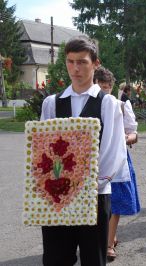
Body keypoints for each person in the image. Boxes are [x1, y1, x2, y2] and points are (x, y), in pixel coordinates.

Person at [40, 36, 127, 266]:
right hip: (57, 196)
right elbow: (42, 150)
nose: (75, 68)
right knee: (56, 258)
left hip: (94, 195)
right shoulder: (52, 103)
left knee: (93, 259)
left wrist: (87, 184)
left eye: (82, 62)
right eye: (70, 62)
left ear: (95, 63)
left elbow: (113, 150)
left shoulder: (108, 104)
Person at [94, 68, 141, 261]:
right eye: (101, 87)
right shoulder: (90, 105)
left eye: (108, 87)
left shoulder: (121, 105)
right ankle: (101, 238)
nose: (105, 91)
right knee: (97, 203)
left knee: (115, 203)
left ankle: (109, 242)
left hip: (118, 159)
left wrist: (124, 138)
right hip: (93, 159)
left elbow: (134, 135)